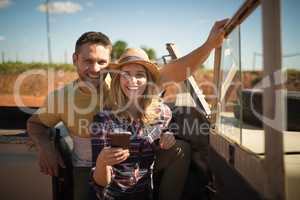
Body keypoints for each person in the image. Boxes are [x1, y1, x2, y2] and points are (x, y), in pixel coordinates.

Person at [27, 18, 227, 200]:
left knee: (180, 149)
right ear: (75, 59)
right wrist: (45, 146)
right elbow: (35, 124)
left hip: (138, 159)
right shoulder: (62, 97)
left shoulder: (122, 80)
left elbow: (178, 69)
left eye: (102, 62)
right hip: (89, 165)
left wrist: (209, 45)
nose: (96, 69)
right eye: (88, 60)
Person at [90, 48, 176, 200]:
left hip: (146, 194)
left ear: (148, 80)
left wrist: (169, 136)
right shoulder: (103, 119)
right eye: (126, 75)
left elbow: (167, 131)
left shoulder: (163, 113)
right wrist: (102, 161)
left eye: (140, 75)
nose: (132, 81)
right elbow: (100, 184)